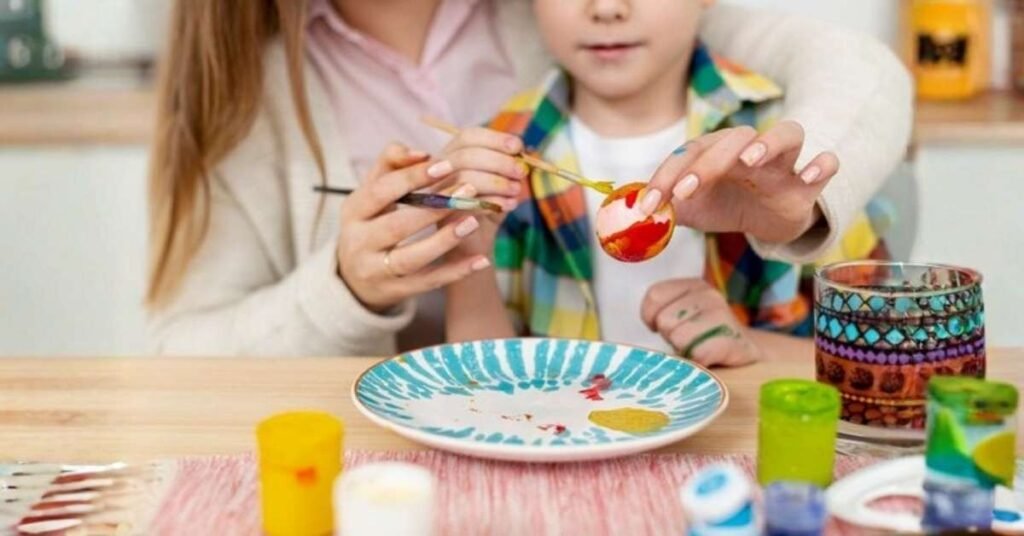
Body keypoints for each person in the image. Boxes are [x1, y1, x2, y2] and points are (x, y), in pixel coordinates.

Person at [146, 0, 911, 357]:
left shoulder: (609, 39)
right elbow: (178, 356)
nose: (607, 9)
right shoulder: (248, 88)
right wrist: (348, 287)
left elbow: (858, 74)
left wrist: (789, 212)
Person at [444, 0, 909, 366]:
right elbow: (481, 377)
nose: (607, 7)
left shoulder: (777, 146)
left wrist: (753, 346)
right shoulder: (506, 148)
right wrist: (467, 254)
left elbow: (897, 355)